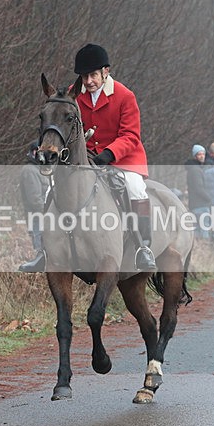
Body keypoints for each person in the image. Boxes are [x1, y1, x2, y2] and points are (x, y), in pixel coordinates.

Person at [73, 43, 156, 271]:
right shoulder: (74, 94)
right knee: (53, 188)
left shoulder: (124, 95)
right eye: (84, 76)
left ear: (105, 72)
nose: (88, 81)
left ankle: (143, 247)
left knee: (135, 187)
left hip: (123, 159)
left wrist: (107, 155)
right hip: (87, 159)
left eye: (93, 75)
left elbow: (130, 136)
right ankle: (44, 249)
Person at [18, 141, 50, 272]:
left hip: (47, 218)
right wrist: (52, 213)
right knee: (43, 255)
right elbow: (35, 200)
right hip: (38, 219)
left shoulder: (41, 170)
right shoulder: (30, 171)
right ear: (35, 152)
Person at [185, 144, 211, 240]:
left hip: (195, 204)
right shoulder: (195, 170)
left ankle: (199, 250)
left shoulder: (194, 169)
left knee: (197, 231)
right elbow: (198, 188)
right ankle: (205, 251)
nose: (202, 156)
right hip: (201, 205)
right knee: (204, 230)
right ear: (195, 156)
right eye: (199, 154)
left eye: (203, 154)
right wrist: (209, 198)